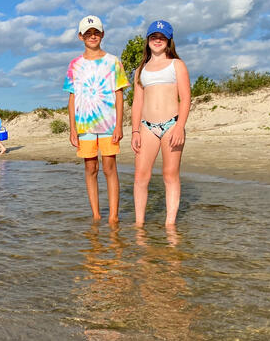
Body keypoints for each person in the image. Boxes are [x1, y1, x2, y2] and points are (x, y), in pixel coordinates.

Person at [64, 15, 128, 224]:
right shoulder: (74, 65)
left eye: (96, 32)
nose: (93, 36)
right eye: (88, 33)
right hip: (85, 126)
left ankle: (113, 216)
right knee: (91, 168)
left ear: (102, 34)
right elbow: (72, 98)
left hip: (109, 124)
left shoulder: (113, 61)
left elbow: (119, 94)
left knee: (110, 167)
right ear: (80, 36)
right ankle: (96, 215)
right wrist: (72, 129)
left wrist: (119, 124)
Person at [130, 20, 191, 226]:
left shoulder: (177, 65)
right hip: (146, 127)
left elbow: (185, 98)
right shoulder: (141, 70)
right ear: (148, 40)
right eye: (154, 37)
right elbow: (137, 102)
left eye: (162, 37)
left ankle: (170, 224)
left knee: (170, 174)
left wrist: (180, 126)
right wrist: (135, 131)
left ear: (169, 41)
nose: (158, 40)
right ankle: (139, 224)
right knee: (140, 176)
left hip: (171, 125)